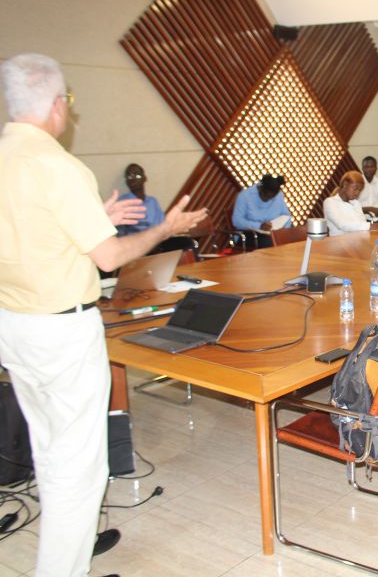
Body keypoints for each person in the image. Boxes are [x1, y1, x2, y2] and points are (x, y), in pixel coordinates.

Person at [0, 53, 207, 577]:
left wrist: (100, 218)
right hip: (62, 330)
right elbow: (111, 257)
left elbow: (36, 232)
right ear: (54, 105)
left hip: (14, 324)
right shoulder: (58, 165)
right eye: (67, 101)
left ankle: (66, 551)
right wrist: (167, 228)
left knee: (51, 451)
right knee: (80, 467)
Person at [116, 163, 197, 255]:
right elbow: (120, 233)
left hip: (156, 242)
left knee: (189, 243)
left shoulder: (153, 202)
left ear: (145, 178)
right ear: (126, 181)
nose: (133, 179)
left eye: (137, 175)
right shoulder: (122, 202)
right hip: (136, 246)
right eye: (129, 177)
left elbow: (163, 225)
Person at [232, 173, 292, 248]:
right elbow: (237, 221)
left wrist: (284, 230)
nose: (268, 199)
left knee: (293, 238)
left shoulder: (279, 195)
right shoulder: (244, 196)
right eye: (265, 195)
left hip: (273, 233)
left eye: (272, 197)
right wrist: (259, 226)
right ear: (260, 188)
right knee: (270, 243)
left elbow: (286, 216)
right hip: (250, 235)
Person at [323, 171, 378, 236]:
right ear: (345, 185)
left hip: (359, 241)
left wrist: (375, 227)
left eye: (360, 190)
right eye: (355, 188)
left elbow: (362, 224)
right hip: (339, 243)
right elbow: (342, 225)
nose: (357, 193)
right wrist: (372, 226)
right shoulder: (330, 202)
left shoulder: (356, 203)